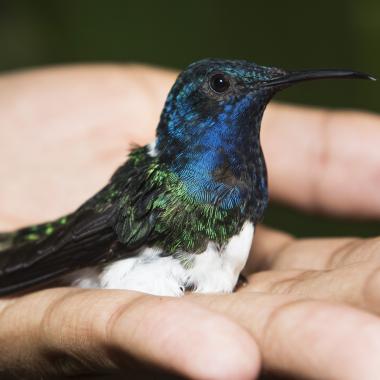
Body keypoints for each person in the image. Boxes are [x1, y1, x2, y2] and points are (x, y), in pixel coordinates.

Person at [0, 64, 380, 380]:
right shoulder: (169, 183)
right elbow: (84, 242)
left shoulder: (245, 170)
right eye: (220, 84)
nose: (238, 88)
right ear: (192, 106)